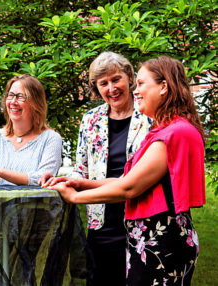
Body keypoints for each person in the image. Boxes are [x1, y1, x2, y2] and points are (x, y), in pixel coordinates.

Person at [45, 56, 205, 285]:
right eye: (102, 83)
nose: (136, 90)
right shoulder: (168, 129)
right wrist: (81, 183)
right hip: (147, 237)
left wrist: (75, 197)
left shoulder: (171, 133)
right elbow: (127, 179)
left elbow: (129, 186)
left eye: (140, 84)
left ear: (163, 87)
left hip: (160, 239)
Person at [39, 51, 152, 285]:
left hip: (143, 218)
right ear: (96, 87)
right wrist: (62, 179)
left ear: (129, 77)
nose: (112, 88)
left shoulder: (150, 116)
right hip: (102, 222)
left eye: (116, 79)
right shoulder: (90, 119)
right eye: (104, 83)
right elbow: (81, 170)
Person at [0, 74, 62, 185]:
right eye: (10, 95)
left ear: (35, 103)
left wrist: (0, 172)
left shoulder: (51, 139)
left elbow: (42, 179)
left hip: (34, 203)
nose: (13, 102)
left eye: (20, 97)